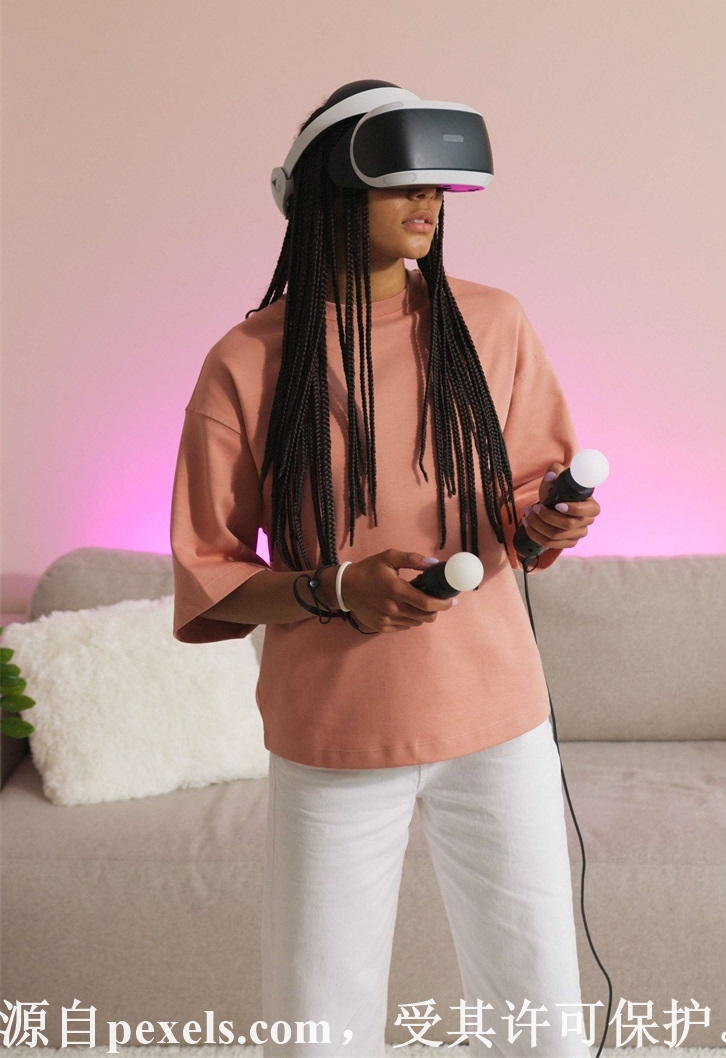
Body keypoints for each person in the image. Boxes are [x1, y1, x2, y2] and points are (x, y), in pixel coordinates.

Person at [170, 79, 600, 1058]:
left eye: (438, 184)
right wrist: (334, 589)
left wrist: (550, 517)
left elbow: (524, 514)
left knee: (539, 1012)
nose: (428, 200)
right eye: (399, 181)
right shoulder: (248, 362)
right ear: (328, 188)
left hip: (499, 721)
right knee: (320, 1025)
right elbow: (211, 572)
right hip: (337, 732)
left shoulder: (492, 324)